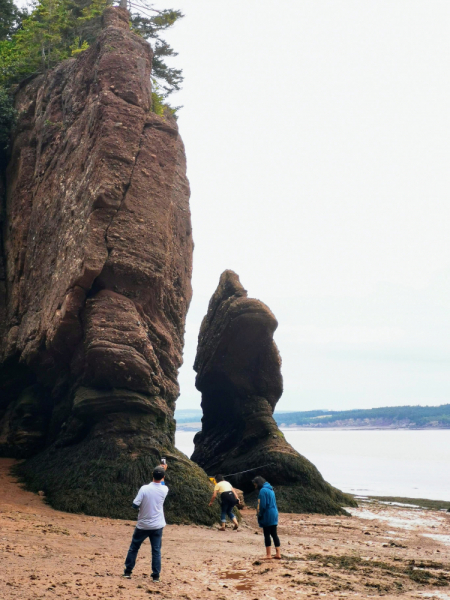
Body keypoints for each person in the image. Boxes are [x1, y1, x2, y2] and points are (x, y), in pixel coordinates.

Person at [123, 466, 168, 581]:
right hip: (157, 525)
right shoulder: (165, 489)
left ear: (152, 474)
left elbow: (135, 505)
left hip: (143, 524)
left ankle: (128, 571)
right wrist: (163, 471)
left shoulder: (144, 489)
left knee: (134, 547)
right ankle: (156, 576)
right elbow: (161, 483)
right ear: (163, 477)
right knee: (156, 550)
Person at [252, 475, 281, 560]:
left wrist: (259, 514)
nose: (255, 486)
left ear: (258, 483)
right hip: (274, 513)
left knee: (267, 534)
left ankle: (268, 554)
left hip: (267, 514)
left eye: (255, 485)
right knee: (274, 534)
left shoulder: (263, 491)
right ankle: (278, 553)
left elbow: (262, 505)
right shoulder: (271, 490)